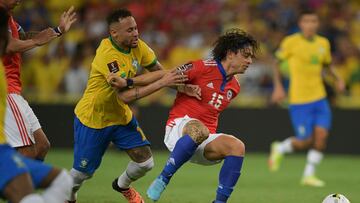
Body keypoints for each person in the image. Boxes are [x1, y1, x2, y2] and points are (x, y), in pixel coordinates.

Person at [67, 9, 193, 203]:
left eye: (135, 28)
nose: (135, 33)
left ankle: (122, 185)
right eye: (129, 30)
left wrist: (183, 87)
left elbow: (159, 71)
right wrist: (162, 83)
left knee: (145, 162)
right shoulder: (108, 55)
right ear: (114, 33)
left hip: (119, 116)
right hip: (94, 118)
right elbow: (125, 95)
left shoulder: (138, 46)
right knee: (81, 174)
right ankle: (69, 195)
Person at [146, 28, 259, 203]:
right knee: (200, 130)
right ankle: (163, 178)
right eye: (246, 55)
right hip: (179, 128)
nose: (250, 61)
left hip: (203, 139)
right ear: (230, 53)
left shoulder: (234, 87)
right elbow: (165, 76)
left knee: (237, 147)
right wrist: (130, 82)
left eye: (251, 57)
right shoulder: (200, 67)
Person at [0, 7, 73, 203]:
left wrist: (56, 30)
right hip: (6, 91)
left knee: (41, 146)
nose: (18, 0)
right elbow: (9, 45)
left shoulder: (10, 20)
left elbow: (23, 36)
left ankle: (18, 192)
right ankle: (18, 193)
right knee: (27, 150)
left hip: (16, 90)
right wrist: (36, 41)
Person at [268, 9, 345, 187]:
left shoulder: (323, 43)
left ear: (317, 24)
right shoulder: (291, 42)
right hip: (299, 100)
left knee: (321, 137)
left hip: (319, 97)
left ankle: (308, 175)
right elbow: (275, 62)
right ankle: (280, 148)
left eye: (313, 21)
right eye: (306, 21)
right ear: (300, 24)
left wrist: (338, 78)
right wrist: (278, 87)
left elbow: (327, 65)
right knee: (305, 140)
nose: (310, 25)